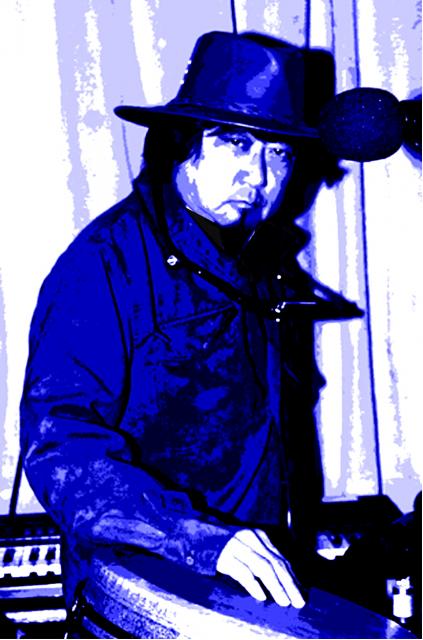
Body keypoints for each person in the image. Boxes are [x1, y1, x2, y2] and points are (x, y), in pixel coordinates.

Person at [19, 31, 352, 614]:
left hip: (251, 587)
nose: (258, 177)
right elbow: (61, 444)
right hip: (143, 589)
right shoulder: (103, 265)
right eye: (235, 144)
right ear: (182, 144)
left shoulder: (258, 260)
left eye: (278, 153)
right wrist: (196, 538)